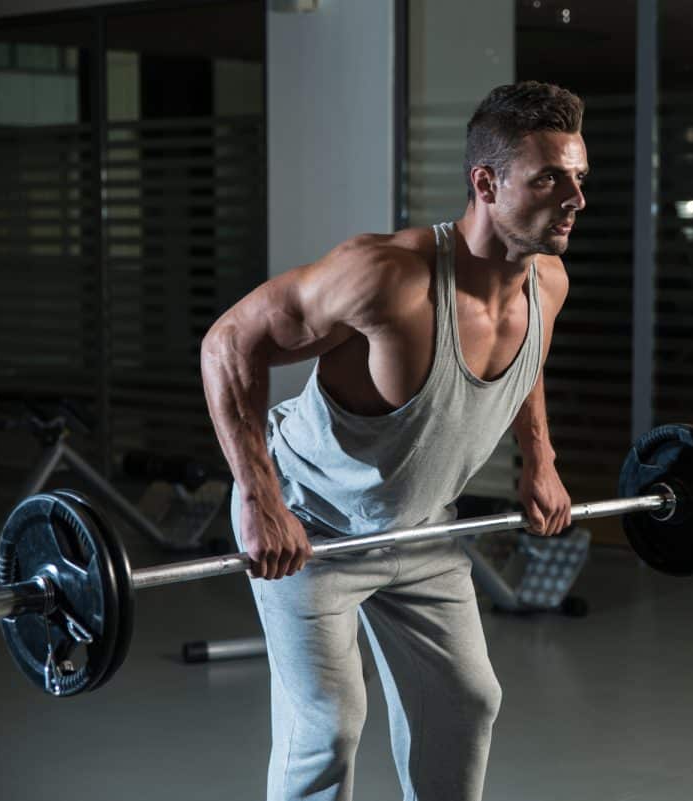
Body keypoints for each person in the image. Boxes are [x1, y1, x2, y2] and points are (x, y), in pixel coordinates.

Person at [200, 80, 587, 801]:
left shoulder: (549, 283)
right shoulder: (388, 278)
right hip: (310, 524)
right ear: (486, 182)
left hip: (421, 530)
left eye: (579, 178)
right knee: (329, 723)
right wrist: (260, 499)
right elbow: (228, 344)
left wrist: (542, 460)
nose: (575, 198)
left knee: (468, 702)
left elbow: (526, 360)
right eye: (549, 179)